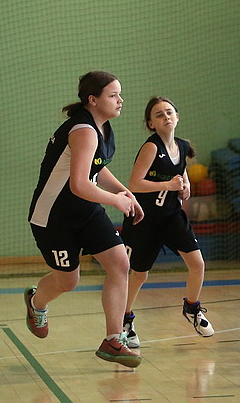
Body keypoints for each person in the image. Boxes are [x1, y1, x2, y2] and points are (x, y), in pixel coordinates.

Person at [26, 71, 143, 368]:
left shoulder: (102, 128)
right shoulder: (83, 130)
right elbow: (79, 184)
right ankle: (36, 303)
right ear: (93, 99)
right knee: (68, 281)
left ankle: (113, 340)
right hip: (54, 217)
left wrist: (123, 191)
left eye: (119, 94)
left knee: (120, 264)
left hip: (86, 211)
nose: (120, 100)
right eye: (113, 95)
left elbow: (97, 168)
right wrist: (115, 201)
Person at [120, 96, 214, 347]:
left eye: (169, 112)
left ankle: (192, 308)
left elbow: (180, 170)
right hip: (145, 219)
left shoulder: (182, 146)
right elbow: (135, 183)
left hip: (172, 216)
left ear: (177, 117)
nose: (166, 117)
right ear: (151, 123)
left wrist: (186, 186)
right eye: (159, 115)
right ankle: (125, 319)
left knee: (197, 263)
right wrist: (168, 185)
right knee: (139, 274)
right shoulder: (151, 148)